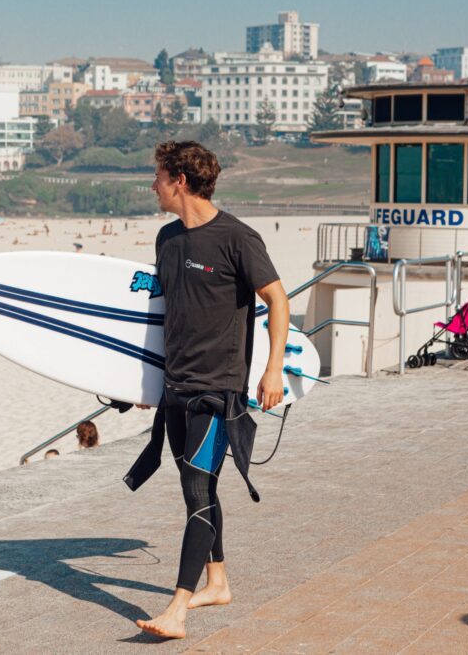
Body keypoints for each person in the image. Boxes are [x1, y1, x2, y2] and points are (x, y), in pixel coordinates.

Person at [125, 141, 289, 640]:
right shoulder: (167, 240)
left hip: (218, 391)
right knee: (199, 488)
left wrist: (273, 369)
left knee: (197, 489)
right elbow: (163, 315)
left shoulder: (237, 238)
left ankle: (177, 608)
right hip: (176, 386)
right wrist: (144, 380)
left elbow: (277, 300)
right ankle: (217, 581)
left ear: (179, 180)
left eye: (157, 176)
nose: (151, 184)